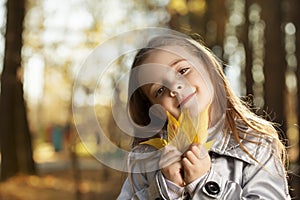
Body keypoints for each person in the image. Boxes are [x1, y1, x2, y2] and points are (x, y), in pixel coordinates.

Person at [117, 34, 291, 199]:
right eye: (160, 90)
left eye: (183, 70)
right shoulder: (145, 158)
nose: (175, 86)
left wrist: (205, 183)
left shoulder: (256, 144)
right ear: (154, 109)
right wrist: (166, 189)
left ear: (207, 68)